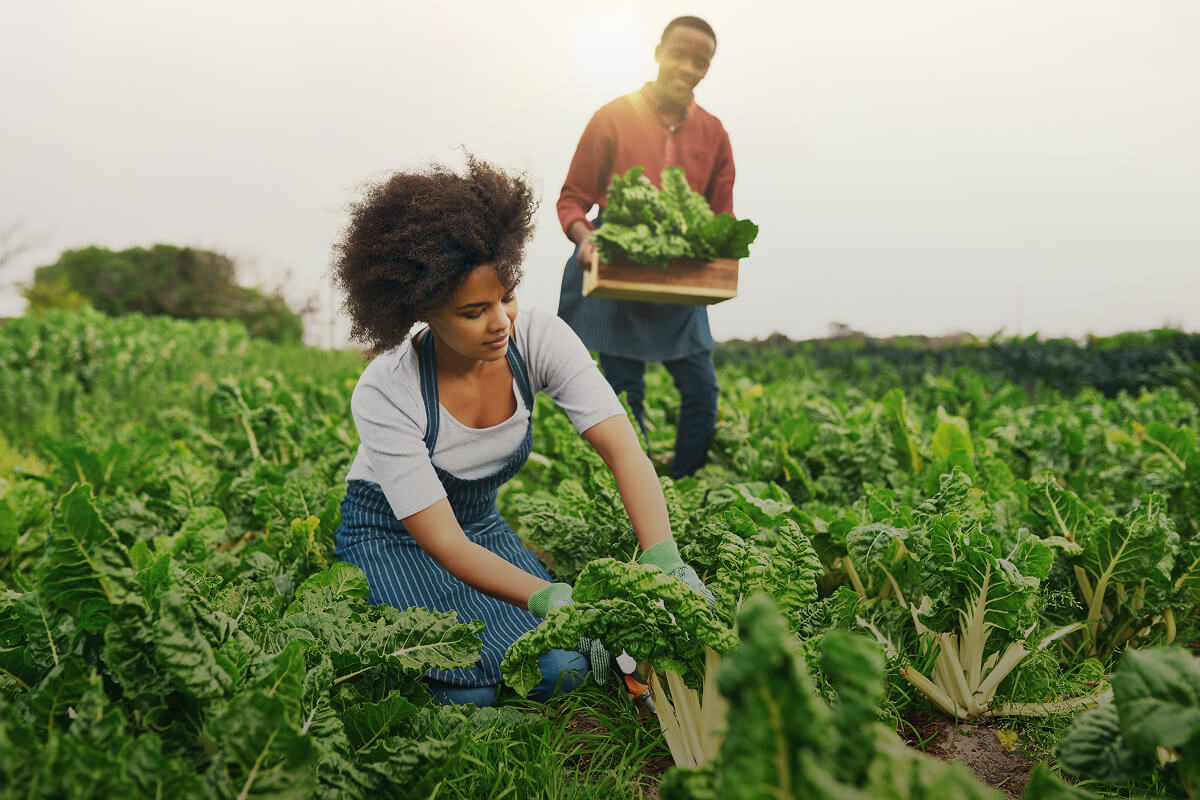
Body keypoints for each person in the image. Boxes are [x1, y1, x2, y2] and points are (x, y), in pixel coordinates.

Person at [330, 156, 711, 707]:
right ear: (425, 310)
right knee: (470, 694)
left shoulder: (537, 340)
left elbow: (624, 452)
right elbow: (443, 541)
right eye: (473, 311)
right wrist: (548, 595)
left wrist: (663, 556)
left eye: (507, 296)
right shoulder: (387, 388)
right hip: (393, 535)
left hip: (479, 528)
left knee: (564, 670)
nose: (501, 322)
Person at [556, 15, 734, 480]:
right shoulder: (613, 116)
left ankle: (682, 487)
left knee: (701, 389)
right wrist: (585, 236)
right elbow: (573, 199)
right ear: (658, 53)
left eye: (701, 62)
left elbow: (722, 217)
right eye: (679, 55)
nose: (688, 68)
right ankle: (637, 487)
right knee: (624, 391)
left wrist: (719, 254)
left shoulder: (714, 133)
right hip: (620, 268)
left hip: (679, 275)